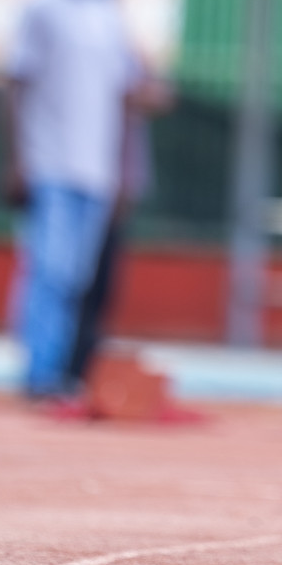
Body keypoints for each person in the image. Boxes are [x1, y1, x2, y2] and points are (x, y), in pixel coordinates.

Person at [1, 0, 136, 403]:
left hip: (96, 169)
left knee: (77, 277)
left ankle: (56, 372)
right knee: (49, 271)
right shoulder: (41, 4)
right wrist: (16, 158)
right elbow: (14, 83)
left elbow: (125, 95)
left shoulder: (110, 11)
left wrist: (122, 171)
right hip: (50, 162)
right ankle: (38, 373)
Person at [66, 53, 173, 387]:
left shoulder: (122, 50)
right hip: (84, 181)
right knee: (73, 281)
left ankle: (83, 364)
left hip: (116, 184)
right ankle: (64, 365)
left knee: (102, 283)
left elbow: (160, 94)